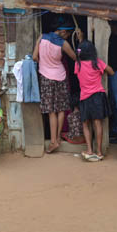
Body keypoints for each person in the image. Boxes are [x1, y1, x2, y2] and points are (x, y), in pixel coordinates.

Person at [33, 16, 83, 153]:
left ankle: (53, 141)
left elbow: (34, 57)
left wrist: (44, 62)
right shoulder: (63, 44)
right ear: (63, 32)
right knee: (61, 109)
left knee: (51, 112)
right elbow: (75, 58)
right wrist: (80, 42)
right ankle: (58, 138)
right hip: (61, 77)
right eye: (67, 34)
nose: (67, 36)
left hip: (45, 78)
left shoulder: (42, 37)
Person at [74, 40, 114, 161]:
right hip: (97, 95)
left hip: (85, 97)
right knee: (98, 124)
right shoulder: (97, 63)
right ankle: (99, 152)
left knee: (86, 124)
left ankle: (90, 150)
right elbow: (111, 71)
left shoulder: (78, 64)